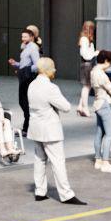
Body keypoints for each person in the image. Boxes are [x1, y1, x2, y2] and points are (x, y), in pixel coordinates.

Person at [24, 58, 84, 205]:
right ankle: (66, 194)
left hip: (36, 128)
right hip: (50, 130)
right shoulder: (51, 88)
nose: (55, 70)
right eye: (53, 68)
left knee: (39, 160)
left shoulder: (31, 85)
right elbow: (66, 107)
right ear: (47, 70)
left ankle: (40, 191)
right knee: (58, 162)